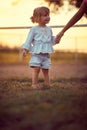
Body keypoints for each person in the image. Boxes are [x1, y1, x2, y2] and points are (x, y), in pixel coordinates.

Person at [21, 6, 58, 89]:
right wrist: (25, 49)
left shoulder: (49, 29)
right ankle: (34, 84)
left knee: (46, 69)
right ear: (38, 17)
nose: (48, 17)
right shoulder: (34, 29)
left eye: (48, 15)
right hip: (36, 53)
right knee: (36, 68)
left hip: (46, 54)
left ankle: (47, 84)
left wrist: (57, 39)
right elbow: (28, 40)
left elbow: (51, 40)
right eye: (45, 15)